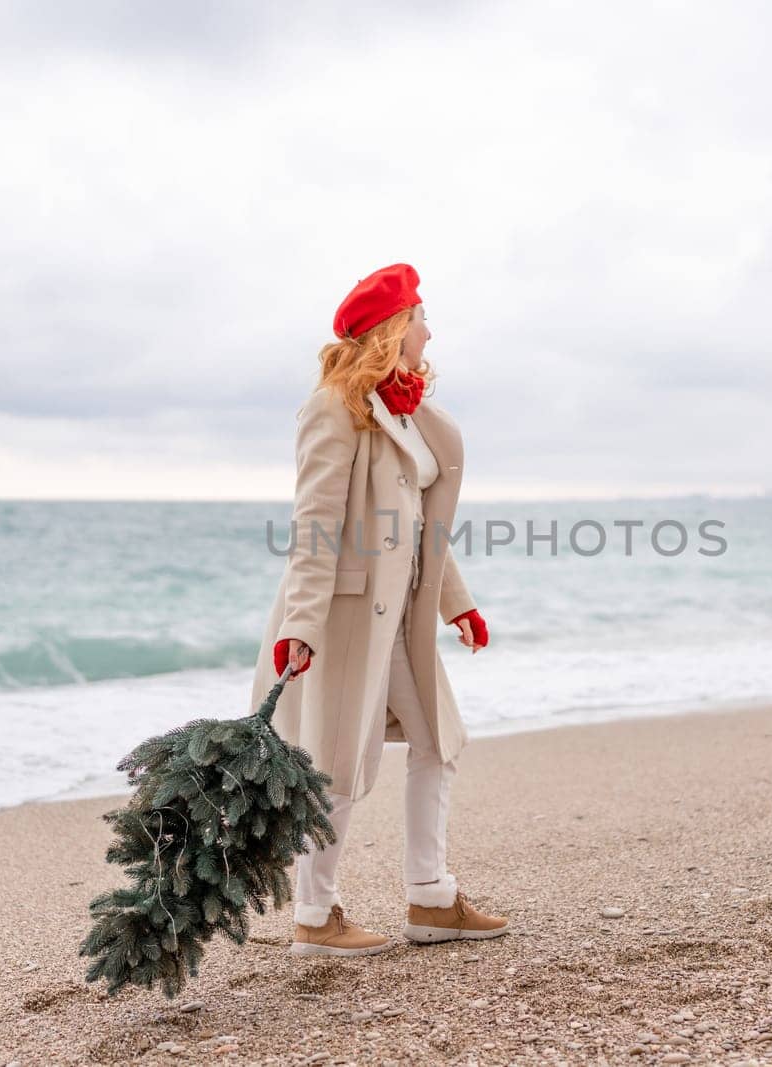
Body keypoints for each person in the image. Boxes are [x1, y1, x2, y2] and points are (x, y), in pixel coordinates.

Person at [246, 262, 509, 956]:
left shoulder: (407, 410)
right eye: (421, 316)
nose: (431, 328)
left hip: (403, 618)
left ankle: (432, 897)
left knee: (436, 743)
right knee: (337, 761)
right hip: (344, 614)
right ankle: (314, 915)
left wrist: (458, 603)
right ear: (393, 330)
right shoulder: (335, 409)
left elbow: (419, 525)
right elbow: (316, 523)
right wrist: (300, 624)